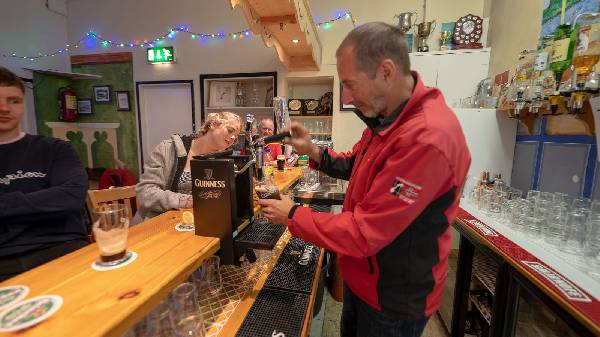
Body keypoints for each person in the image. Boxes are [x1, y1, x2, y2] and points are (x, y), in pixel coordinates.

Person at [258, 22, 471, 337]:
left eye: (349, 84)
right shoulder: (387, 120)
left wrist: (292, 214)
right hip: (365, 280)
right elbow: (353, 164)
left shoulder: (427, 138)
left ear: (386, 71)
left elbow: (365, 231)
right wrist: (310, 150)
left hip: (393, 300)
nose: (345, 96)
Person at [0, 67, 89, 282]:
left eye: (14, 101)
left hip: (63, 250)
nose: (4, 108)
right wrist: (43, 203)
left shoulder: (56, 149)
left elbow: (72, 198)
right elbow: (60, 200)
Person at [135, 111, 242, 222]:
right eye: (230, 130)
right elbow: (145, 192)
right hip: (157, 224)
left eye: (237, 136)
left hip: (197, 223)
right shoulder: (168, 149)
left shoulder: (221, 159)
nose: (233, 138)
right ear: (213, 124)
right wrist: (186, 201)